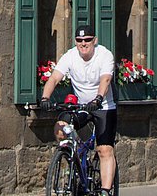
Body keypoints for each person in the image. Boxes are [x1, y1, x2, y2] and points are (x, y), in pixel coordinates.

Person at [39, 24, 117, 196]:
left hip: (103, 107)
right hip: (81, 106)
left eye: (88, 40)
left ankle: (104, 191)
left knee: (104, 149)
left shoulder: (104, 55)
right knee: (60, 127)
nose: (83, 43)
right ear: (75, 42)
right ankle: (71, 156)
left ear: (94, 40)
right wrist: (45, 98)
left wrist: (98, 99)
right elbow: (54, 78)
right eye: (79, 40)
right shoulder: (70, 56)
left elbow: (105, 79)